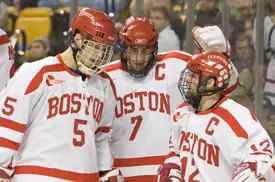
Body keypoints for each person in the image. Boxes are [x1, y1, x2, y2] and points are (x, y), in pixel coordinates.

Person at [105, 16, 238, 181]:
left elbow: (229, 86)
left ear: (155, 48)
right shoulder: (105, 76)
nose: (139, 59)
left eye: (145, 50)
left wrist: (220, 56)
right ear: (122, 48)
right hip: (121, 173)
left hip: (169, 171)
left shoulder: (175, 64)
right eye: (133, 50)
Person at [0, 8, 123, 182]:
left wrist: (104, 171)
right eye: (94, 47)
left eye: (104, 51)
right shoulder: (35, 73)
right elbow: (7, 127)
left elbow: (101, 136)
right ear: (78, 39)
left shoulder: (104, 84)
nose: (98, 56)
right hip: (37, 176)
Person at [158, 51, 275, 182]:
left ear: (210, 83)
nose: (188, 79)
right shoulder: (181, 113)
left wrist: (254, 170)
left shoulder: (236, 117)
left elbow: (264, 157)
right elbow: (175, 152)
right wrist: (173, 171)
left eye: (194, 76)